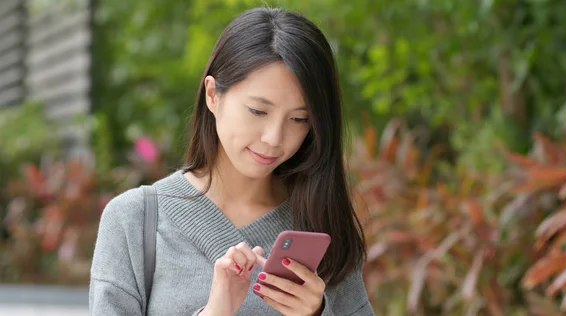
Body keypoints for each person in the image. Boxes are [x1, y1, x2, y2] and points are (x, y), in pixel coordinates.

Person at [89, 7, 374, 316]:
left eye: (299, 119)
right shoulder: (134, 219)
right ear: (213, 95)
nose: (274, 138)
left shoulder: (322, 223)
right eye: (258, 111)